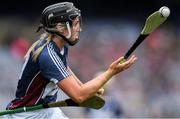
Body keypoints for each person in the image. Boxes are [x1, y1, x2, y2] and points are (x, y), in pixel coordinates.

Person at [3, 2, 137, 119]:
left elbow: (64, 68)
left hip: (46, 111)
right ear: (61, 28)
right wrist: (110, 72)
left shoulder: (58, 46)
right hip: (28, 115)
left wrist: (84, 86)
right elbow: (78, 96)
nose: (79, 29)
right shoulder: (47, 56)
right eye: (75, 24)